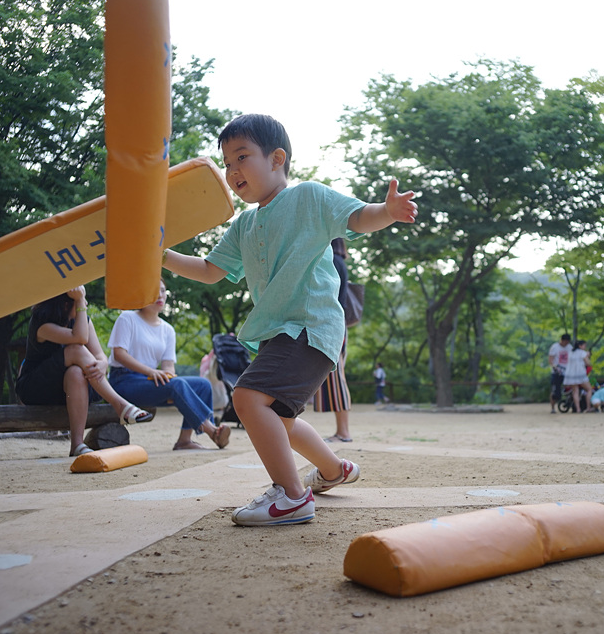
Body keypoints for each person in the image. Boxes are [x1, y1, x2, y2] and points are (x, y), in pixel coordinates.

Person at [162, 113, 418, 526]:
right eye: (226, 163)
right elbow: (210, 270)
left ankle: (293, 497)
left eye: (242, 157)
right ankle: (333, 469)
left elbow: (357, 217)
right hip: (279, 333)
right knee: (279, 418)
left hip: (310, 325)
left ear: (277, 158)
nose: (232, 170)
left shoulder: (308, 198)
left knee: (248, 399)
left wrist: (387, 211)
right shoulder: (244, 225)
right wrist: (161, 255)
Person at [15, 286, 153, 457]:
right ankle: (120, 405)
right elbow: (79, 338)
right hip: (36, 388)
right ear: (66, 304)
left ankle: (77, 445)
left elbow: (100, 356)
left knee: (75, 372)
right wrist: (80, 300)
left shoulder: (82, 321)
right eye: (81, 300)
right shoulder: (41, 323)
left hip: (72, 390)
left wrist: (102, 364)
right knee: (75, 350)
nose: (85, 303)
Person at [108, 280, 230, 451]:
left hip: (150, 381)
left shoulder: (167, 329)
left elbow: (168, 366)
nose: (160, 295)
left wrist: (169, 379)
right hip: (123, 381)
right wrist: (152, 372)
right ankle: (212, 431)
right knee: (177, 384)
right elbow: (119, 354)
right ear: (142, 294)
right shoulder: (127, 318)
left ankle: (184, 441)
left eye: (163, 291)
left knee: (202, 385)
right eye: (154, 291)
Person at [314, 239, 354, 442]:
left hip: (332, 324)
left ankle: (343, 432)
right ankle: (342, 431)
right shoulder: (338, 262)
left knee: (336, 376)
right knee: (334, 376)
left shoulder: (332, 261)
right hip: (335, 324)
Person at [562, 339, 593, 413]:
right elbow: (588, 363)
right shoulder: (582, 353)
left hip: (571, 375)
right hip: (580, 374)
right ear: (580, 346)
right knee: (589, 389)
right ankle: (588, 407)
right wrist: (587, 356)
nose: (585, 347)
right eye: (584, 345)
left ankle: (578, 409)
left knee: (575, 391)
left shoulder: (571, 352)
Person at [548, 333, 572, 413]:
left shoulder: (570, 347)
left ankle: (569, 404)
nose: (566, 344)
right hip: (557, 372)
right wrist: (554, 367)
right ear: (562, 340)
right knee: (555, 390)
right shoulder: (554, 347)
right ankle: (552, 408)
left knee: (570, 388)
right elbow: (550, 360)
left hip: (567, 372)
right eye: (565, 342)